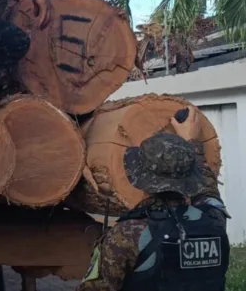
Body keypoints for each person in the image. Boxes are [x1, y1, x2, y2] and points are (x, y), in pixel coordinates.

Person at [77, 106, 230, 291]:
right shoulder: (215, 221)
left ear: (139, 179)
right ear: (191, 179)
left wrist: (189, 144)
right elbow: (208, 192)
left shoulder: (127, 235)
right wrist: (191, 145)